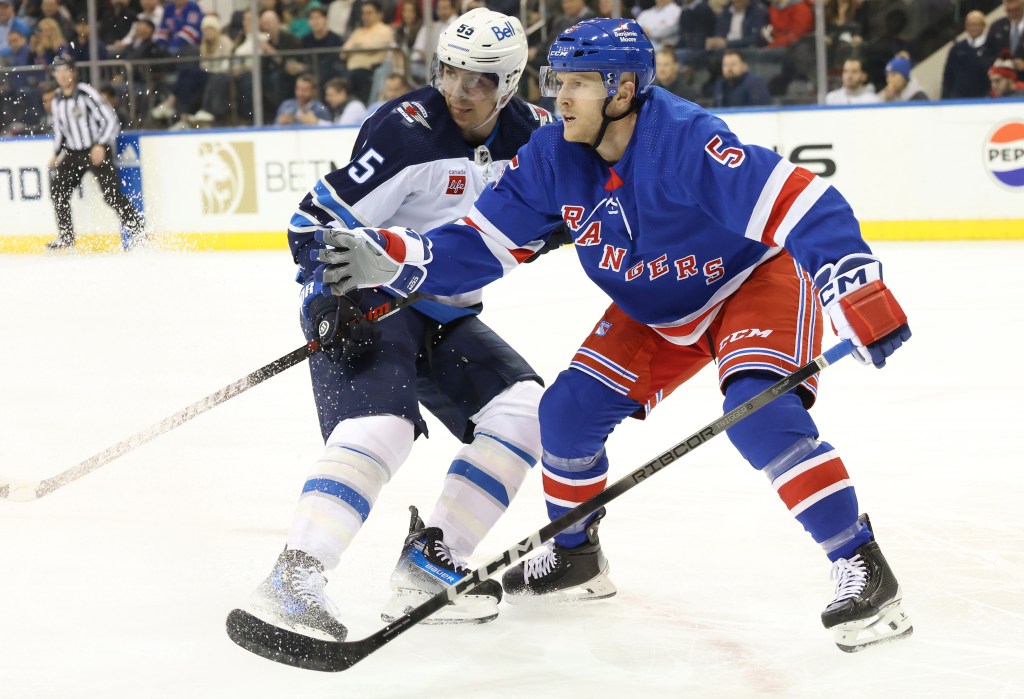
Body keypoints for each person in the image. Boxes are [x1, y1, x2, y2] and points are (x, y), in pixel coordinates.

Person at [319, 18, 914, 654]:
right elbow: (481, 245)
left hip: (748, 285)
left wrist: (855, 286)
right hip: (654, 309)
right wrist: (397, 255)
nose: (558, 100)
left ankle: (861, 563)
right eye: (557, 83)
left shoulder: (686, 141)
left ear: (624, 89)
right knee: (565, 415)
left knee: (759, 414)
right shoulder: (552, 157)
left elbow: (806, 203)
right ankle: (575, 557)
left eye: (576, 85)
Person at [227, 8, 563, 665]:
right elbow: (311, 222)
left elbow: (557, 216)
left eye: (479, 81)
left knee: (523, 411)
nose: (459, 91)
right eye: (450, 72)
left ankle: (429, 564)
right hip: (363, 299)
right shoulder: (407, 131)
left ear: (512, 83)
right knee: (382, 425)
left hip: (445, 309)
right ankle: (296, 573)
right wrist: (328, 302)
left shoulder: (534, 138)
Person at [46, 55, 145, 250]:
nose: (63, 75)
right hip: (73, 153)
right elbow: (60, 130)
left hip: (95, 150)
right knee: (58, 192)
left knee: (112, 195)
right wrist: (56, 154)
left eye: (66, 70)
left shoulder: (86, 93)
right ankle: (66, 238)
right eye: (58, 72)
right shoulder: (56, 100)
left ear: (73, 72)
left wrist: (100, 144)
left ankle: (138, 232)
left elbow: (111, 119)